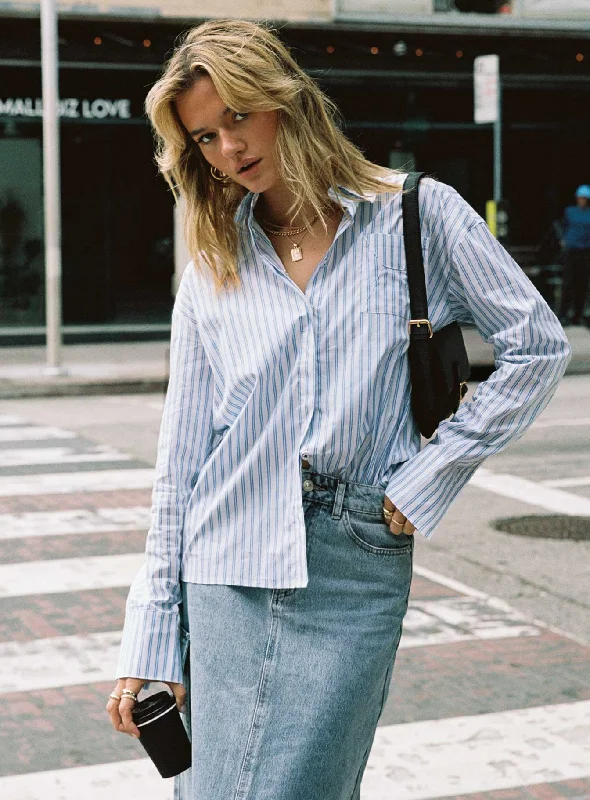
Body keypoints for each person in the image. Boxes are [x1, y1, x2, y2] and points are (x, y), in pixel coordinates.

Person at [106, 20, 571, 799]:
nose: (229, 148)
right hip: (229, 564)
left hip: (356, 557)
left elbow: (537, 346)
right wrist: (150, 635)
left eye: (238, 116)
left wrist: (431, 473)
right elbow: (181, 465)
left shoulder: (417, 216)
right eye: (205, 137)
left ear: (283, 99)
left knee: (311, 784)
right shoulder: (215, 264)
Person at [559, 184, 590, 326]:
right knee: (568, 283)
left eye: (585, 198)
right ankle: (563, 315)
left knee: (582, 284)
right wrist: (564, 240)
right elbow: (564, 226)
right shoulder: (570, 211)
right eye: (581, 198)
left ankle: (578, 315)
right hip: (571, 251)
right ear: (577, 198)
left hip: (585, 252)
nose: (582, 200)